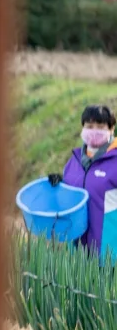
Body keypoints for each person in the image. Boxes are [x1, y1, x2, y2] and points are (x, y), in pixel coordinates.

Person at [49, 105, 117, 257]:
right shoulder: (74, 161)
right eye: (89, 126)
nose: (94, 131)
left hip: (109, 251)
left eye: (100, 127)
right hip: (77, 249)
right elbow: (67, 198)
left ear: (111, 129)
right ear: (83, 128)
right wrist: (58, 184)